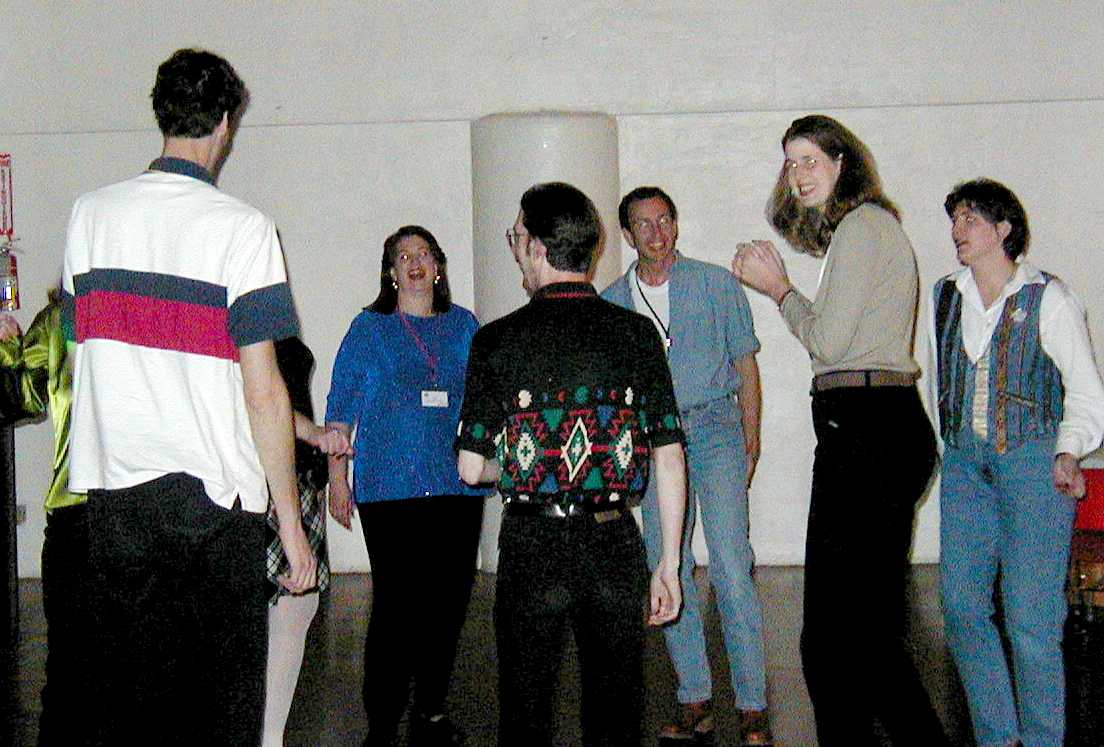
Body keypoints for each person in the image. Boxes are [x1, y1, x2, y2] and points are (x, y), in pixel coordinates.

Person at [61, 48, 315, 746]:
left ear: (161, 114)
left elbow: (83, 350)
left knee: (133, 706)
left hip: (116, 502)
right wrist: (291, 524)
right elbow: (263, 392)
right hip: (214, 508)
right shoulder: (244, 229)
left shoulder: (90, 216)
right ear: (226, 122)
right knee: (222, 709)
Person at [732, 115, 949, 746]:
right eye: (790, 162)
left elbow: (827, 341)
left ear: (842, 163)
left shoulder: (863, 226)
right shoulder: (863, 230)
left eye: (810, 159)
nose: (798, 173)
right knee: (859, 637)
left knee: (838, 639)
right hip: (872, 427)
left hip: (868, 429)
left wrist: (779, 290)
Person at [457, 181, 688, 746]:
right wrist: (668, 563)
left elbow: (471, 469)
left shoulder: (496, 340)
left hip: (532, 545)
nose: (515, 248)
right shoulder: (636, 333)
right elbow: (668, 454)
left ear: (537, 247)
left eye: (516, 237)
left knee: (526, 715)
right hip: (614, 544)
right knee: (615, 718)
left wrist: (524, 465)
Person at [930, 179, 1104, 747]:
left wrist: (1068, 450)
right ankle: (998, 736)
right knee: (961, 606)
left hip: (1033, 464)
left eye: (970, 220)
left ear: (1003, 229)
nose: (957, 230)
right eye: (955, 219)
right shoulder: (946, 295)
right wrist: (949, 445)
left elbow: (1086, 391)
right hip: (965, 465)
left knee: (1031, 619)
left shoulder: (1048, 298)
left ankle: (1044, 738)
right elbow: (941, 380)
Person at [602, 186, 772, 745]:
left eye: (664, 220)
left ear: (676, 223)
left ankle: (752, 702)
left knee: (732, 564)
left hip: (717, 430)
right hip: (654, 440)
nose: (657, 232)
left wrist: (750, 439)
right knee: (666, 562)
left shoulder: (716, 284)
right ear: (627, 234)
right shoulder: (614, 301)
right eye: (644, 224)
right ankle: (694, 695)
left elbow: (745, 366)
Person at [326, 225, 485, 746]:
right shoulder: (369, 329)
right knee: (397, 607)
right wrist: (337, 480)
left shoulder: (465, 326)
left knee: (449, 603)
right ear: (390, 273)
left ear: (438, 267)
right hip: (389, 490)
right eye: (403, 256)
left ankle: (430, 710)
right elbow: (341, 408)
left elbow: (484, 400)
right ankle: (383, 721)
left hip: (456, 487)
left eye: (423, 254)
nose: (414, 263)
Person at [1, 291, 91, 747]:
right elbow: (18, 394)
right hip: (101, 518)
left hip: (91, 516)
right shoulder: (64, 318)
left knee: (78, 678)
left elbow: (18, 394)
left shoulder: (64, 317)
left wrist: (5, 350)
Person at [263, 337, 354, 747]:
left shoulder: (271, 317)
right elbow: (257, 396)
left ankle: (270, 736)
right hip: (262, 480)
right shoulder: (237, 316)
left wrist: (317, 440)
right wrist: (314, 434)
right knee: (286, 606)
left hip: (296, 476)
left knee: (297, 605)